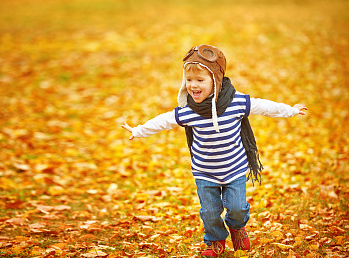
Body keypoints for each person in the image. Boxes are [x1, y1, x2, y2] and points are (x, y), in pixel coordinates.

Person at [121, 44, 307, 257]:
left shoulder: (236, 103)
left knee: (237, 208)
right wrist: (139, 130)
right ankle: (215, 241)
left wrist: (290, 110)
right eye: (189, 80)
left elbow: (264, 106)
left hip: (234, 168)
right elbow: (164, 121)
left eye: (200, 80)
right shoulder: (189, 111)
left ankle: (237, 228)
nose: (193, 85)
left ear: (215, 81)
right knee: (209, 212)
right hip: (204, 172)